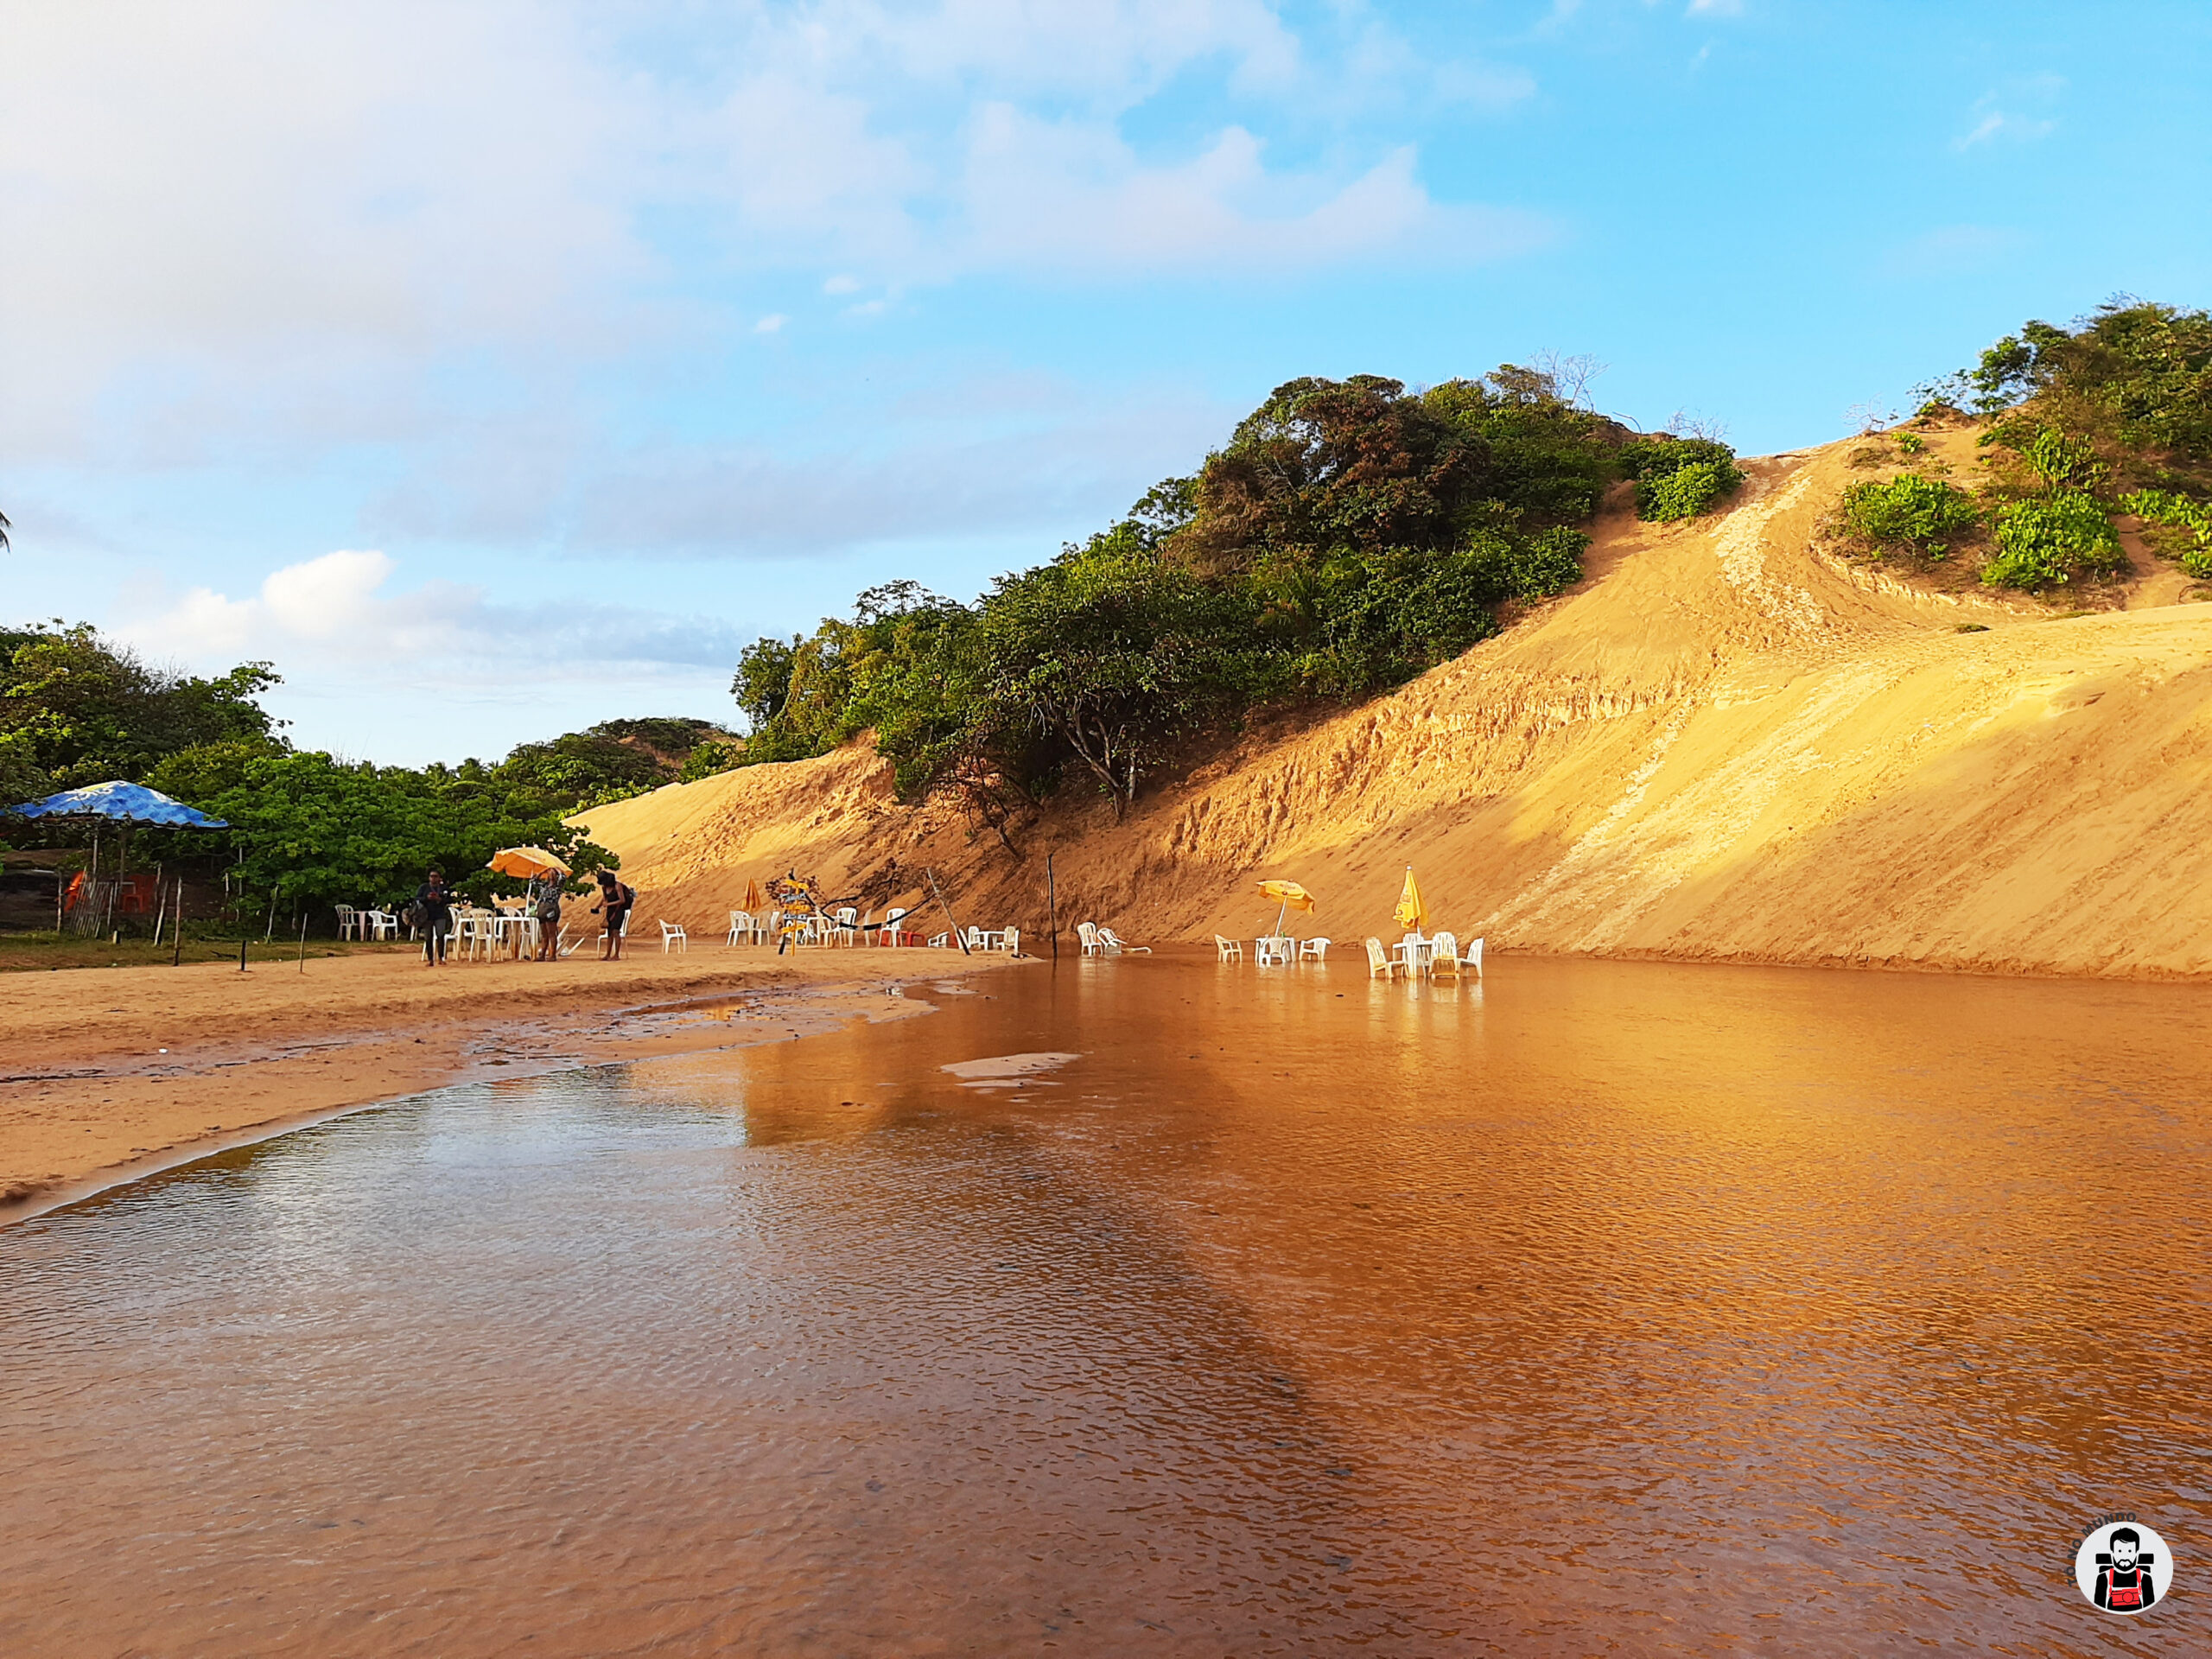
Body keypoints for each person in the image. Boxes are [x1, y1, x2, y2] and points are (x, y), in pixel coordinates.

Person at [2094, 1528, 2158, 1611]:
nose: (2124, 1556)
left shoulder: (2145, 1577)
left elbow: (2150, 1608)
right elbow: (2098, 1608)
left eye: (2129, 1551)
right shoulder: (2104, 1577)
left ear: (2136, 1553)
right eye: (2120, 1551)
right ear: (2112, 1552)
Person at [413, 868, 456, 966]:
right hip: (426, 915)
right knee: (428, 937)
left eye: (435, 876)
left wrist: (439, 899)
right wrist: (426, 898)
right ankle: (430, 959)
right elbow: (417, 898)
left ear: (439, 878)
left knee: (440, 935)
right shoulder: (424, 888)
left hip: (440, 914)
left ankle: (441, 958)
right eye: (431, 876)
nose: (433, 878)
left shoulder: (444, 888)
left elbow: (450, 900)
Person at [592, 870, 635, 961]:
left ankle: (616, 955)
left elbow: (622, 900)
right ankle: (608, 954)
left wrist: (609, 904)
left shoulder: (617, 886)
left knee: (616, 932)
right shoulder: (604, 888)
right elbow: (604, 899)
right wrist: (597, 907)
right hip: (610, 912)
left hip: (619, 911)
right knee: (609, 933)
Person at [531, 868, 563, 960]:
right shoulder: (544, 886)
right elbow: (533, 881)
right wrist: (542, 872)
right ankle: (542, 955)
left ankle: (552, 955)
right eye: (550, 873)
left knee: (551, 933)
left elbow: (563, 877)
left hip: (551, 909)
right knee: (544, 934)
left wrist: (558, 870)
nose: (551, 874)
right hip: (542, 909)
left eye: (553, 873)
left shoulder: (557, 886)